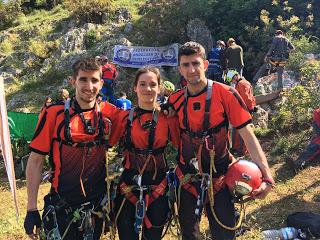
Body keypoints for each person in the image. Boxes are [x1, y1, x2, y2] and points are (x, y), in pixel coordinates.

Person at [167, 41, 274, 240]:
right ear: (180, 69)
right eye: (186, 65)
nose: (192, 69)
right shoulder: (175, 101)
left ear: (205, 65)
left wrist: (267, 176)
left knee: (224, 233)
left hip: (221, 176)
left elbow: (248, 136)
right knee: (189, 234)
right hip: (187, 177)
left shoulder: (225, 93)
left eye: (196, 63)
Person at [23, 57, 122, 240]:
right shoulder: (54, 113)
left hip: (96, 207)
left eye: (94, 80)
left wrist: (166, 109)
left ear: (101, 83)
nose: (89, 86)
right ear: (73, 81)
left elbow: (142, 117)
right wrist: (31, 209)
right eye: (83, 79)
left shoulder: (110, 113)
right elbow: (36, 161)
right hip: (62, 205)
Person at [108, 66, 180, 240]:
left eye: (152, 84)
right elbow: (107, 144)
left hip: (158, 185)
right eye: (142, 84)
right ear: (135, 88)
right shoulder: (124, 118)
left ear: (159, 88)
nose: (148, 89)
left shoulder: (168, 118)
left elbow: (180, 145)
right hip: (128, 185)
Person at [226, 70, 256, 157]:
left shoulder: (241, 84)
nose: (232, 82)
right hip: (243, 110)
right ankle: (236, 148)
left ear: (235, 76)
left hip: (244, 111)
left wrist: (249, 109)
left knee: (243, 131)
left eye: (232, 80)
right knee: (237, 130)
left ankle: (241, 151)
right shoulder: (244, 83)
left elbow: (246, 98)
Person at [289, 108, 320, 172]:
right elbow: (317, 129)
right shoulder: (317, 112)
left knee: (314, 147)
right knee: (313, 146)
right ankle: (299, 163)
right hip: (317, 134)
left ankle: (299, 164)